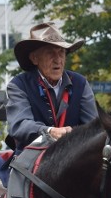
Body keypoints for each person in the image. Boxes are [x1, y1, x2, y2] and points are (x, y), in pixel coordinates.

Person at [5, 22, 99, 153]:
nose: (58, 59)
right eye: (50, 53)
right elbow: (19, 125)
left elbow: (94, 127)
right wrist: (49, 131)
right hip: (31, 161)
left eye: (61, 52)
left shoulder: (80, 83)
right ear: (34, 58)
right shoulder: (19, 85)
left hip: (73, 158)